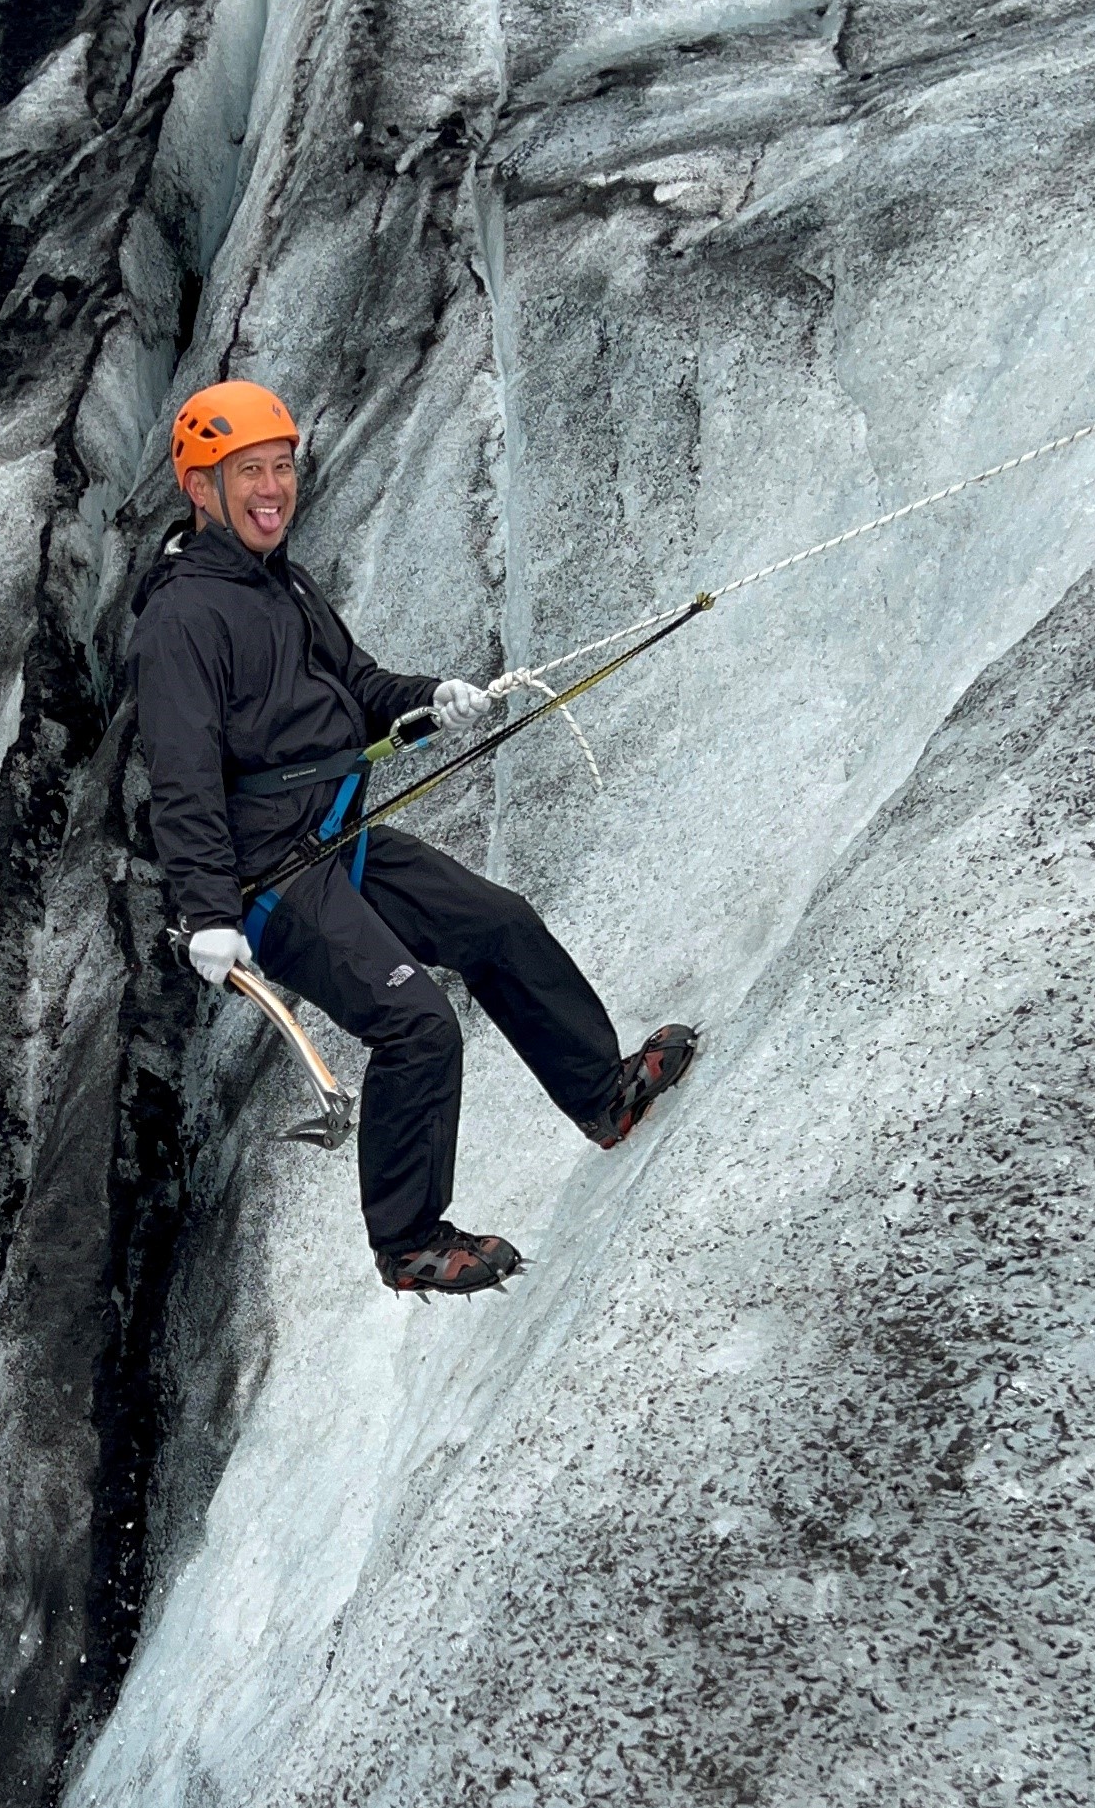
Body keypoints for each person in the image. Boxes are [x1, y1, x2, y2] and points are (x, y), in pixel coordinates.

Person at [128, 381, 696, 1295]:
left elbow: (356, 684)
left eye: (281, 468)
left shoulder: (284, 581)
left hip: (333, 842)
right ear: (200, 488)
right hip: (267, 883)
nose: (273, 489)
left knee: (497, 924)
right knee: (417, 1027)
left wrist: (430, 698)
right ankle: (407, 1241)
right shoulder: (184, 616)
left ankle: (603, 1094)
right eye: (249, 473)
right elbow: (181, 776)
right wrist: (206, 914)